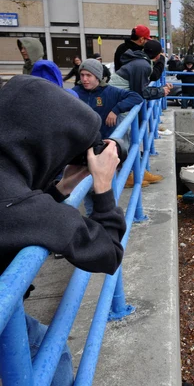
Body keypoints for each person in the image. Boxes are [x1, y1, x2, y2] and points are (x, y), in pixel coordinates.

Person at [0, 75, 127, 385]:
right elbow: (108, 253)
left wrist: (63, 186)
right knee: (52, 359)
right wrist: (103, 185)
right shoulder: (21, 208)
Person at [73, 59, 144, 211]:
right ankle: (93, 220)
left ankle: (104, 221)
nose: (84, 79)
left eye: (89, 75)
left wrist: (116, 110)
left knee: (102, 190)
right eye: (82, 75)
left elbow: (136, 97)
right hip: (81, 150)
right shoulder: (76, 93)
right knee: (87, 190)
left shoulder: (110, 92)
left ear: (98, 77)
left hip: (103, 149)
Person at [109, 39, 171, 186]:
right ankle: (126, 175)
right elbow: (140, 92)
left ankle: (136, 171)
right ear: (156, 56)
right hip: (118, 105)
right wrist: (161, 91)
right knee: (124, 141)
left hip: (120, 102)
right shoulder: (142, 65)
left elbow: (138, 89)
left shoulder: (139, 61)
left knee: (130, 140)